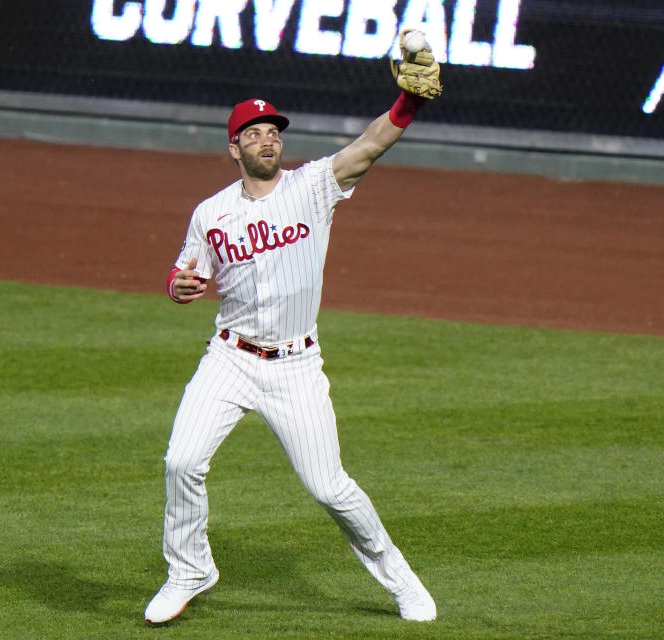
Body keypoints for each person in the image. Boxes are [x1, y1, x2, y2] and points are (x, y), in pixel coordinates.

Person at [145, 34, 443, 625]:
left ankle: (401, 580)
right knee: (181, 462)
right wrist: (178, 284)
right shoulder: (211, 212)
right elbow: (186, 272)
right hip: (228, 358)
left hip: (296, 367)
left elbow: (369, 146)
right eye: (253, 133)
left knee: (330, 489)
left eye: (273, 130)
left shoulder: (313, 187)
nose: (267, 138)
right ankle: (190, 571)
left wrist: (409, 105)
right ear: (235, 148)